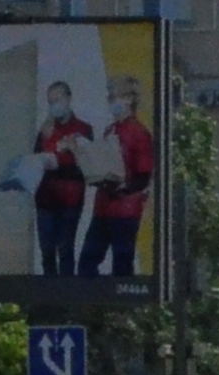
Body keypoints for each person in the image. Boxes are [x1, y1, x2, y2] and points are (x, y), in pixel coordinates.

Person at [80, 75, 157, 281]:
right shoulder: (110, 130)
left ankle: (120, 309)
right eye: (110, 97)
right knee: (87, 261)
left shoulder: (140, 133)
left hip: (125, 210)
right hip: (103, 207)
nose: (111, 102)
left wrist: (123, 188)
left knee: (122, 266)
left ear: (129, 99)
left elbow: (143, 176)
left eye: (115, 97)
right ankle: (95, 304)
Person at [30, 79, 93, 278]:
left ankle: (66, 294)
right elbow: (35, 160)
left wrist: (66, 157)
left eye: (58, 99)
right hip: (45, 199)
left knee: (65, 249)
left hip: (70, 199)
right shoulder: (46, 129)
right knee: (46, 250)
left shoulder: (83, 129)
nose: (54, 105)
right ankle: (49, 294)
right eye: (51, 102)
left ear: (69, 99)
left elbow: (88, 165)